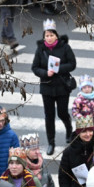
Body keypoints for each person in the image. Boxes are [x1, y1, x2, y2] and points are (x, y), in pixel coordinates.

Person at [32, 18, 78, 155]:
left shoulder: (65, 47)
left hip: (62, 86)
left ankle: (69, 129)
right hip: (47, 87)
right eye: (47, 35)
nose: (49, 38)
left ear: (56, 35)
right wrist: (45, 73)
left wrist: (59, 69)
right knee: (49, 116)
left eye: (52, 35)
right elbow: (35, 67)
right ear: (44, 36)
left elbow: (72, 64)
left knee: (62, 112)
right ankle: (51, 142)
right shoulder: (40, 49)